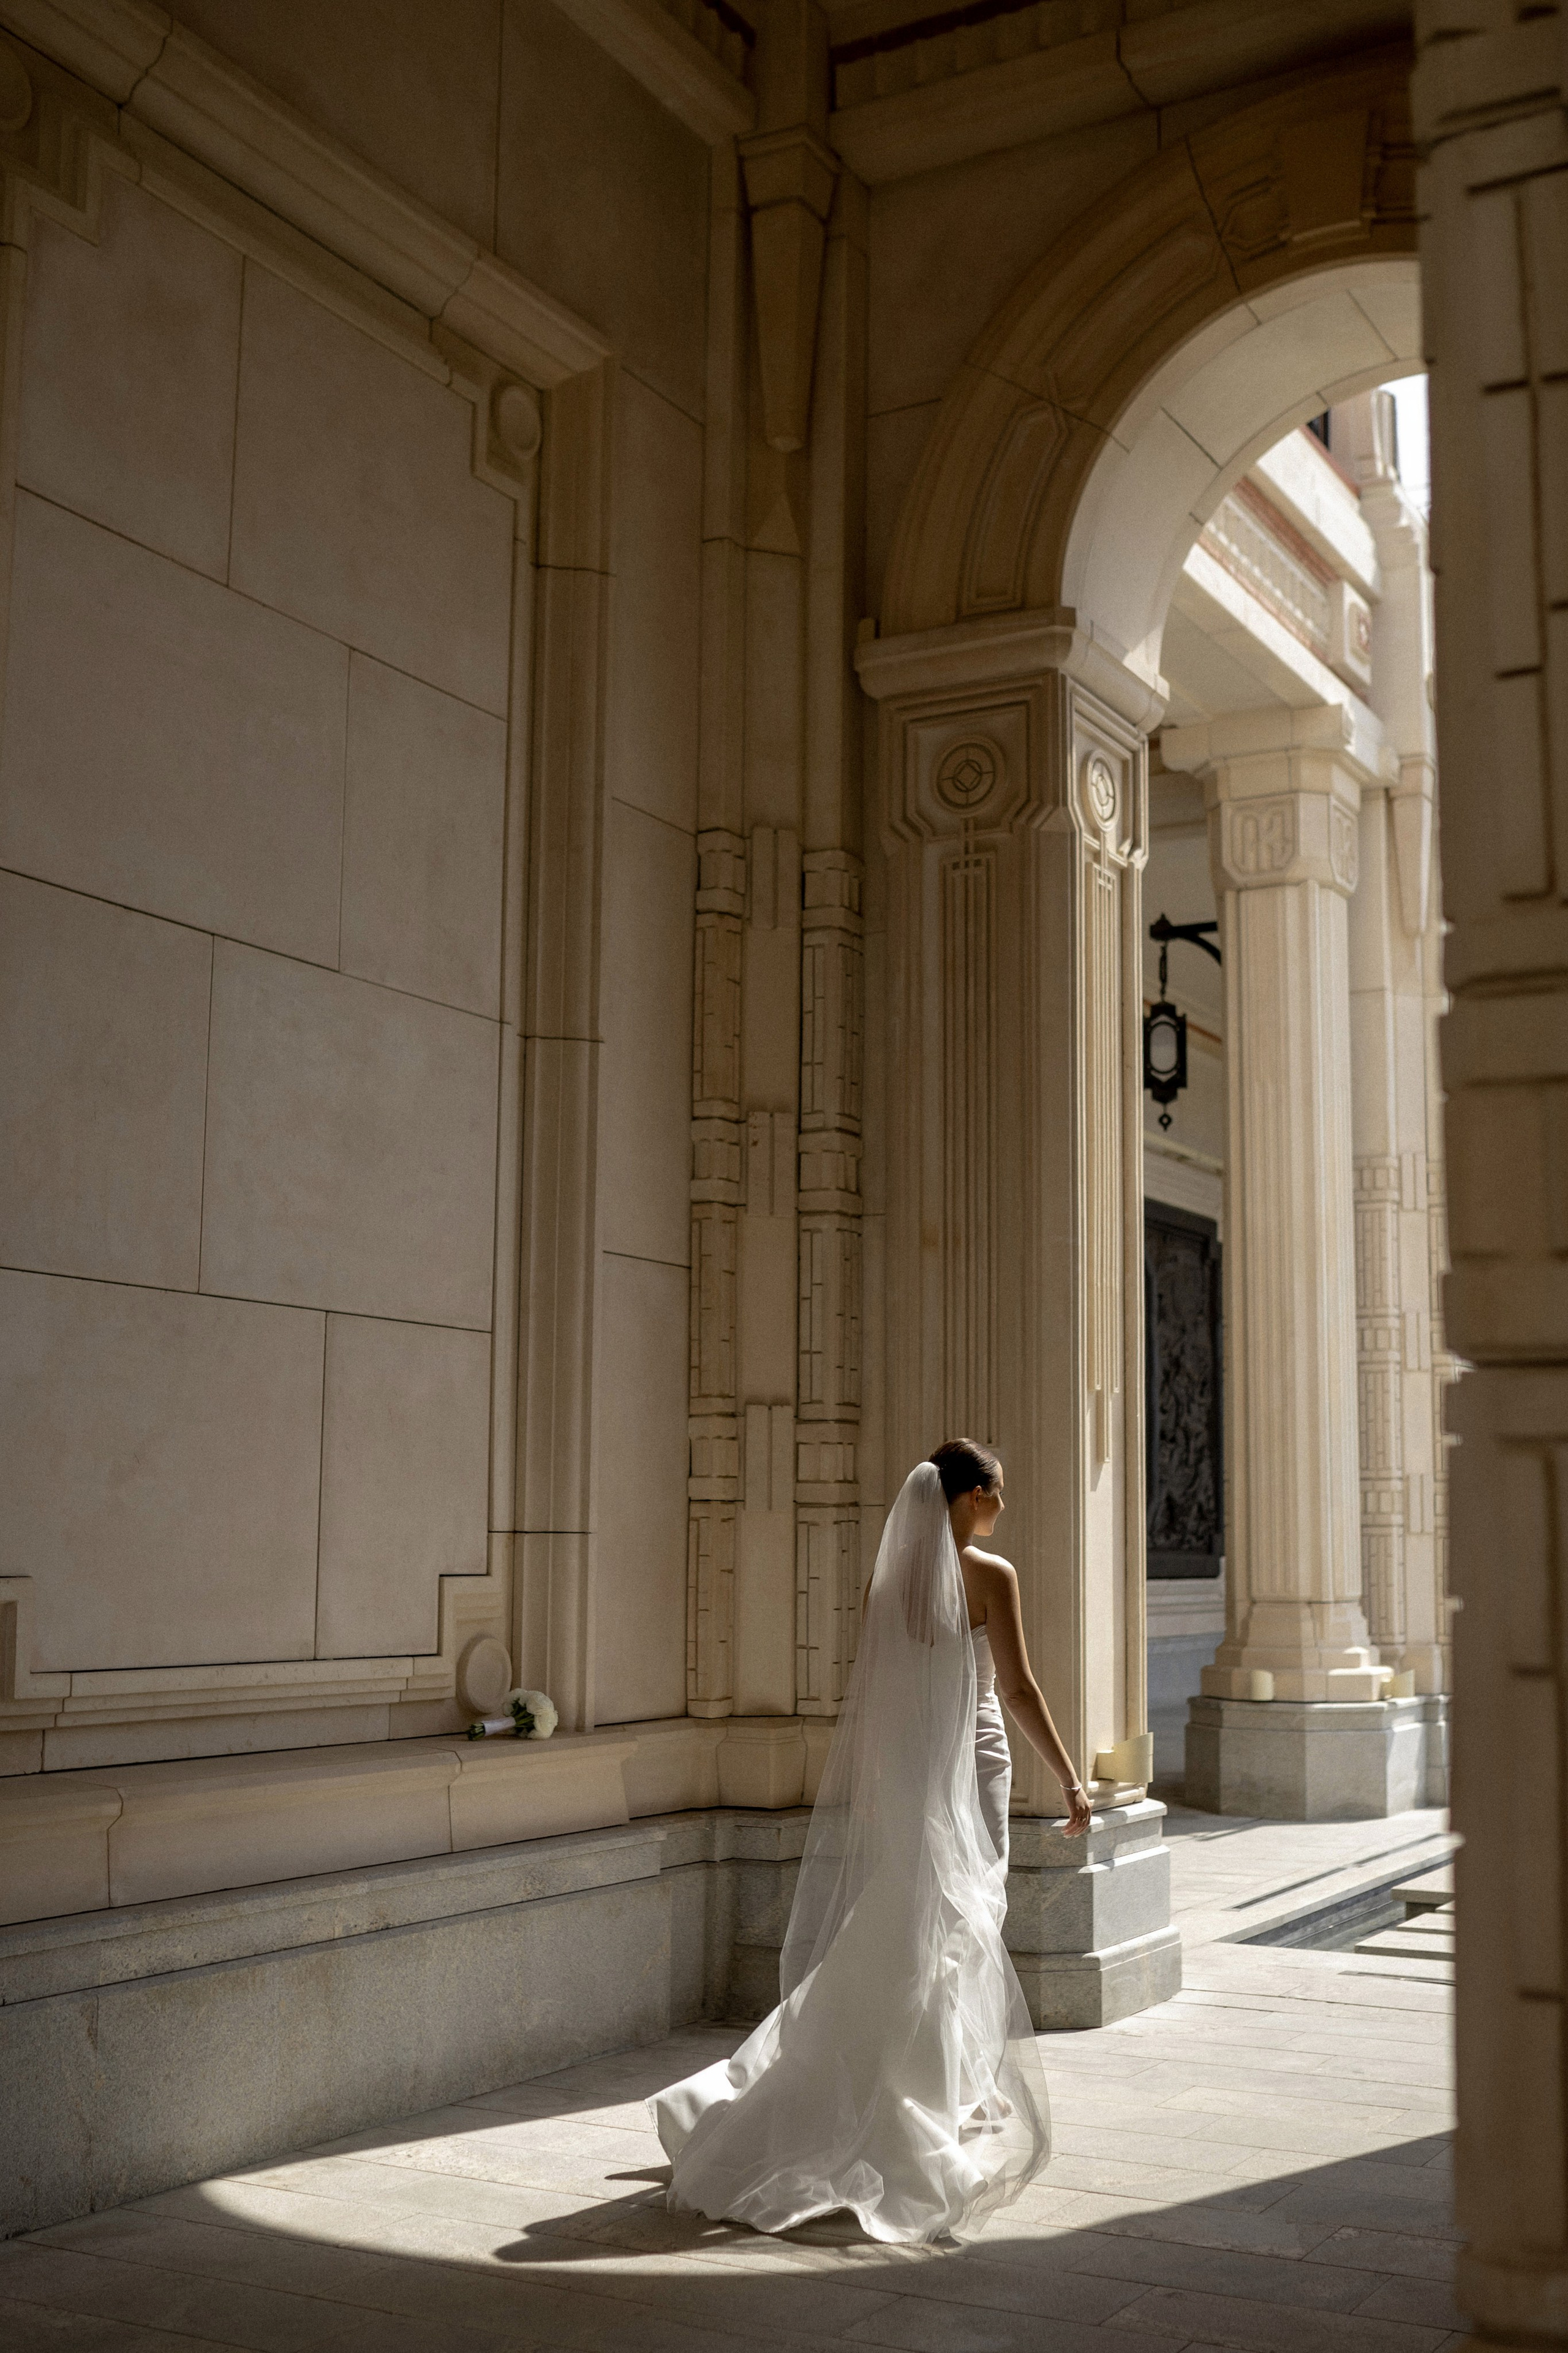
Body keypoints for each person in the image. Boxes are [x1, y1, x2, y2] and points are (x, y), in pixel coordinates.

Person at [649, 1440, 1093, 2243]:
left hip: (910, 1776)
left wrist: (891, 1796)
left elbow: (882, 1706)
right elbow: (1018, 1688)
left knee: (912, 1919)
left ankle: (928, 2081)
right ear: (966, 1497)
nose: (1003, 1506)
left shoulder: (885, 1582)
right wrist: (1067, 1773)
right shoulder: (992, 1576)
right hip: (973, 1762)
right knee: (958, 1921)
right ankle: (919, 2093)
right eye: (997, 1492)